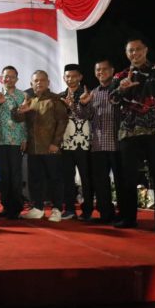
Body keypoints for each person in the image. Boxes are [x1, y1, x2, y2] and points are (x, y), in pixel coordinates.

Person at [109, 37, 155, 232]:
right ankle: (129, 219)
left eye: (138, 49)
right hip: (128, 133)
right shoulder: (121, 76)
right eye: (130, 50)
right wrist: (122, 88)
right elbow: (113, 100)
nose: (135, 53)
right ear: (126, 53)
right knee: (128, 178)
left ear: (146, 50)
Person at [13, 70, 68, 222]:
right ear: (31, 84)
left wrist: (55, 143)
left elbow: (62, 121)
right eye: (36, 81)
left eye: (42, 80)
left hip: (50, 147)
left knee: (55, 179)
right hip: (33, 148)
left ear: (48, 82)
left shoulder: (55, 99)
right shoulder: (29, 100)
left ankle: (57, 209)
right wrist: (21, 111)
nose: (39, 83)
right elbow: (17, 119)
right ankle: (38, 208)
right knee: (35, 180)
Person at [72, 59, 121, 223]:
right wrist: (82, 103)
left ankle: (125, 215)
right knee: (101, 183)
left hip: (118, 143)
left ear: (112, 70)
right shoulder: (92, 93)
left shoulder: (120, 90)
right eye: (98, 70)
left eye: (104, 69)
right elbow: (82, 116)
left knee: (121, 182)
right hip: (98, 145)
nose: (101, 72)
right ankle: (106, 215)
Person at [0, 65, 27, 219]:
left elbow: (25, 119)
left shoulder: (23, 96)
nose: (9, 79)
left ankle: (16, 208)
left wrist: (25, 138)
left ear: (17, 79)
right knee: (5, 174)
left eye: (12, 77)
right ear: (1, 78)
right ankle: (6, 207)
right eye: (6, 76)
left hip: (17, 140)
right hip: (1, 140)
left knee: (16, 175)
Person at [59, 64, 93, 220]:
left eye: (74, 76)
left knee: (86, 178)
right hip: (66, 142)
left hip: (84, 142)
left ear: (80, 77)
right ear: (64, 78)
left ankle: (87, 211)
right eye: (68, 76)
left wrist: (74, 105)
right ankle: (70, 209)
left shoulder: (88, 94)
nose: (70, 79)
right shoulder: (60, 96)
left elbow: (89, 115)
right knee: (67, 177)